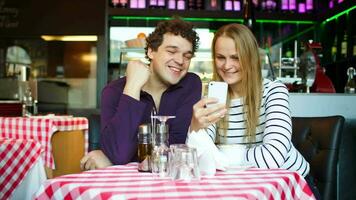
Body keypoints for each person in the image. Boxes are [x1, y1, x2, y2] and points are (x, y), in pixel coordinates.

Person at [188, 23, 320, 199]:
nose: (227, 65)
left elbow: (273, 158)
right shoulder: (213, 97)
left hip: (289, 188)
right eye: (221, 57)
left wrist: (221, 156)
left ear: (250, 57)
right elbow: (198, 159)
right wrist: (195, 127)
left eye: (236, 57)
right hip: (243, 187)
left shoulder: (274, 91)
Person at [80, 17, 202, 170]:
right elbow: (119, 152)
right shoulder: (113, 91)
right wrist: (132, 87)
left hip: (173, 182)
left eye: (187, 56)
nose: (180, 60)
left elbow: (178, 146)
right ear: (151, 51)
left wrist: (112, 161)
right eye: (172, 51)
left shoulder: (190, 85)